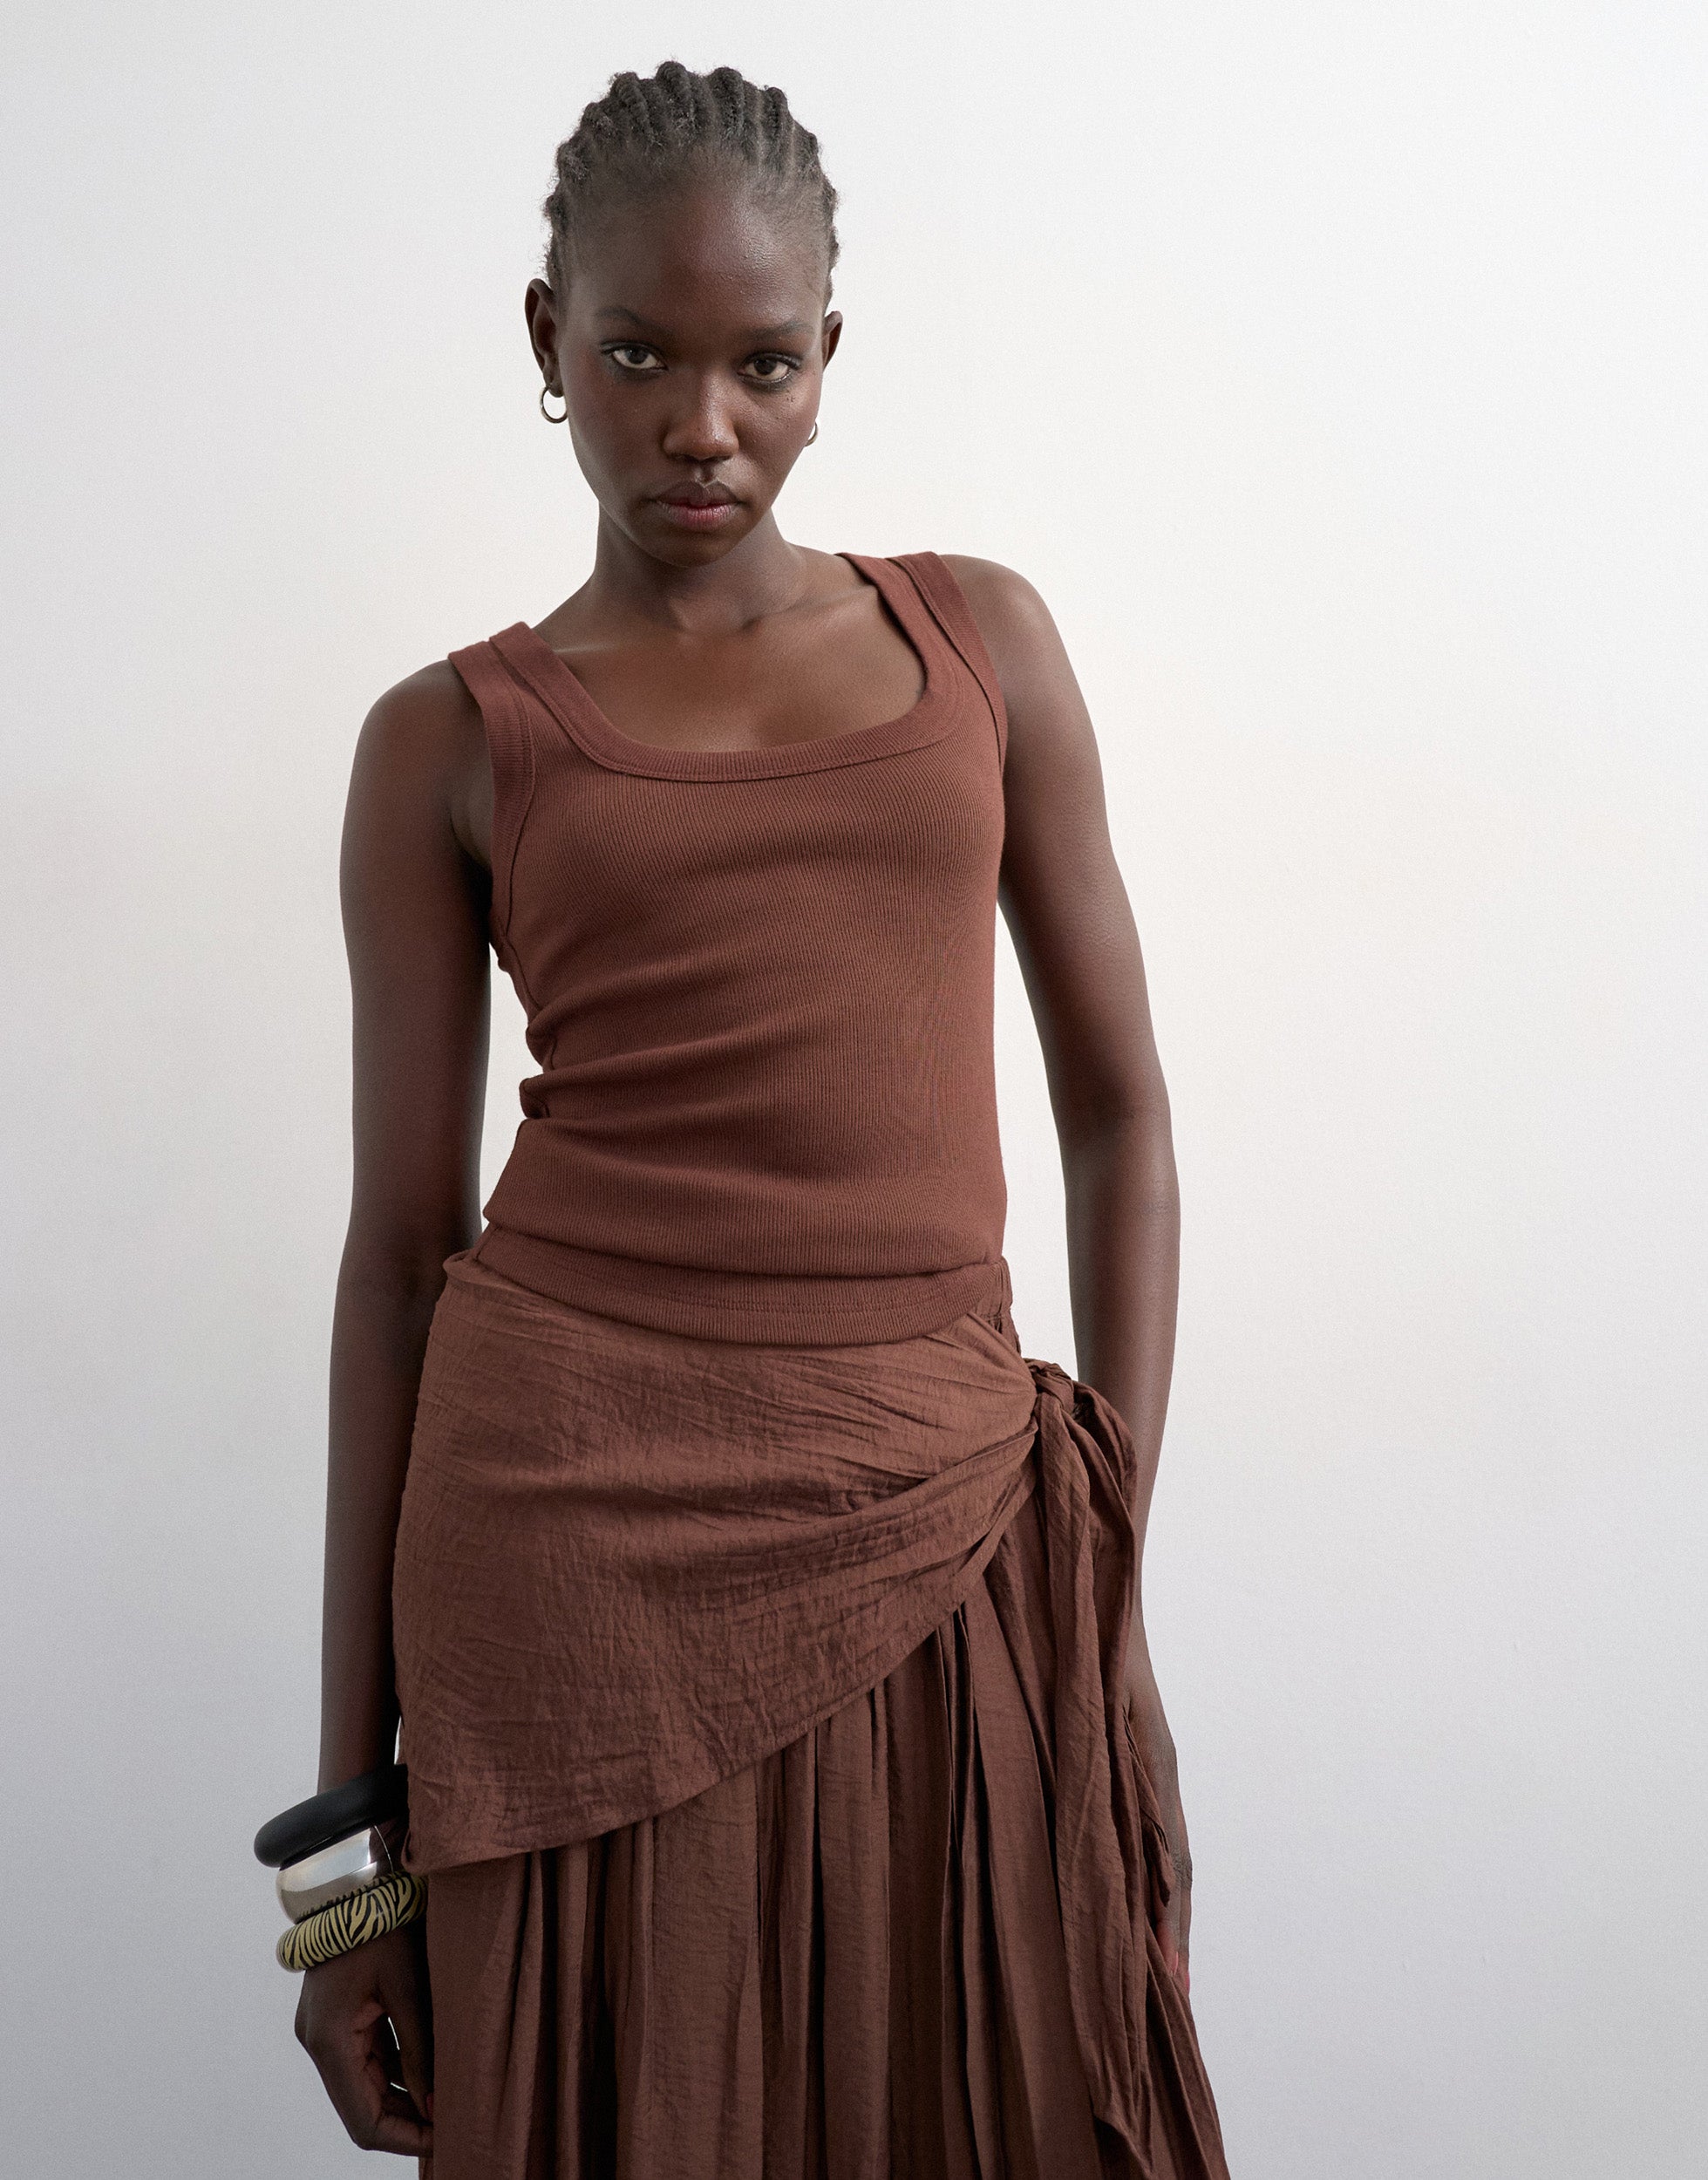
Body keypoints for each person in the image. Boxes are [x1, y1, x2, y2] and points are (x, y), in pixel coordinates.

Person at [276, 58, 1231, 2180]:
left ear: (825, 356)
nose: (699, 423)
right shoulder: (444, 739)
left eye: (760, 364)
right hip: (561, 1577)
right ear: (549, 341)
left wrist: (1106, 1585)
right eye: (636, 356)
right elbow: (396, 1268)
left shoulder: (982, 643)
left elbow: (1121, 1120)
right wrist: (343, 1863)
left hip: (947, 1519)